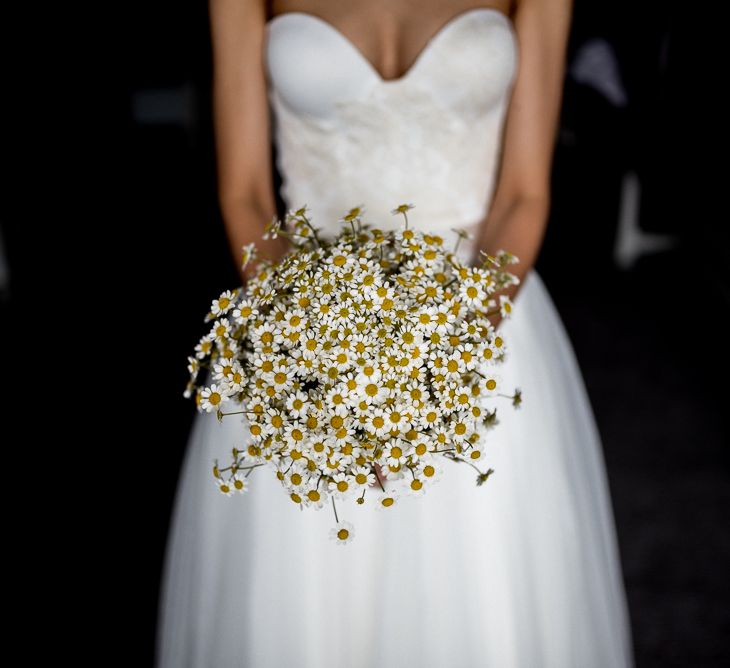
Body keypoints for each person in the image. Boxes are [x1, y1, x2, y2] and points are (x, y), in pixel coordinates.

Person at [156, 1, 635, 666]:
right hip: (305, 331)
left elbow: (523, 193)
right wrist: (314, 354)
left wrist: (440, 367)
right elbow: (246, 194)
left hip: (479, 325)